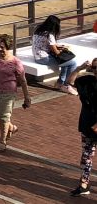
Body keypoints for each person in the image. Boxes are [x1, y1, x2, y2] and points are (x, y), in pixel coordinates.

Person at [0, 33, 31, 152]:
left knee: (4, 117)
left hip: (8, 93)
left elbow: (23, 80)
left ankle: (2, 141)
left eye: (2, 47)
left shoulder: (16, 62)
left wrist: (27, 97)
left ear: (8, 46)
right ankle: (12, 128)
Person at [33, 14, 80, 94]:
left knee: (65, 63)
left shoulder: (38, 30)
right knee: (72, 63)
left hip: (37, 55)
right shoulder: (49, 35)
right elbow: (56, 51)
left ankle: (60, 83)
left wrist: (58, 47)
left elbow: (45, 44)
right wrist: (64, 51)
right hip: (44, 58)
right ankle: (66, 85)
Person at [71, 62, 97, 197]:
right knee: (86, 157)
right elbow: (70, 82)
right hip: (87, 125)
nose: (96, 70)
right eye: (94, 67)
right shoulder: (86, 81)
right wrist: (79, 68)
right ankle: (83, 184)